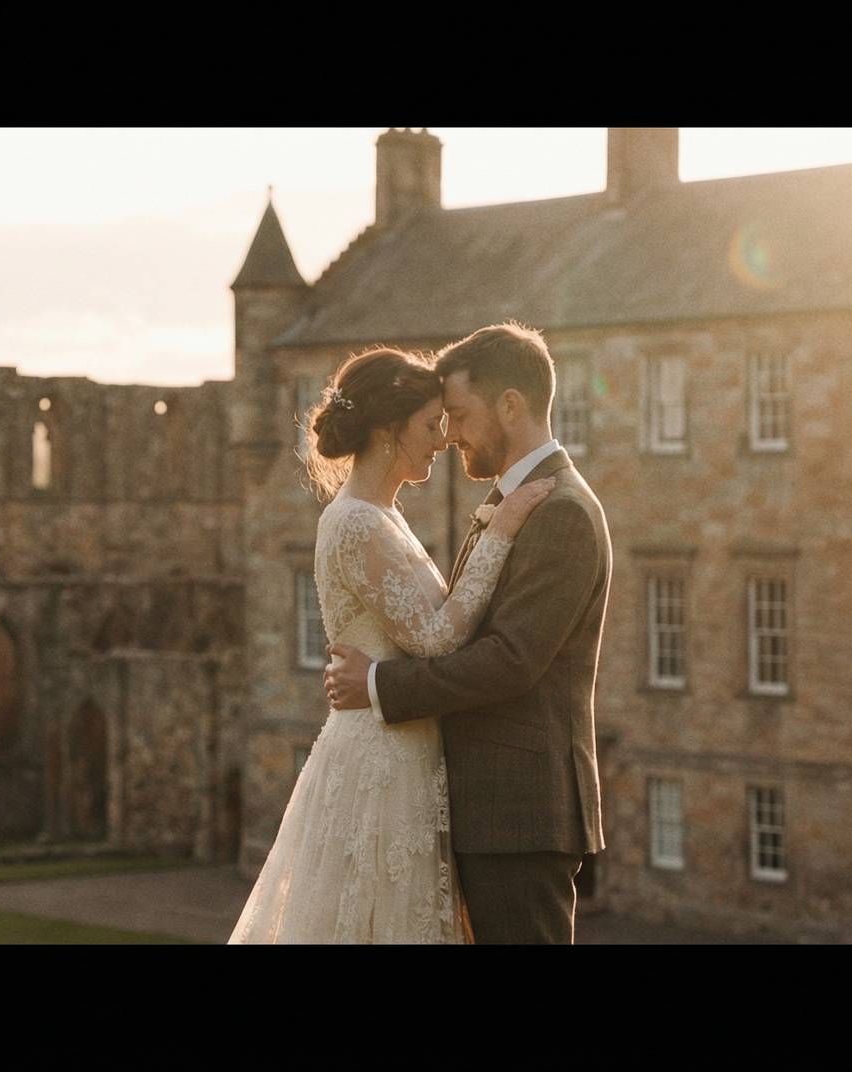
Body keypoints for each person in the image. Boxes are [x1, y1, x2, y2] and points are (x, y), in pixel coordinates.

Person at [228, 345, 553, 943]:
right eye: (432, 425)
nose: (444, 439)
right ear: (388, 428)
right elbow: (436, 637)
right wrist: (501, 535)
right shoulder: (356, 521)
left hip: (402, 742)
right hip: (381, 755)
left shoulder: (382, 514)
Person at [321, 322, 611, 944]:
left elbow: (510, 661)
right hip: (488, 810)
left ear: (511, 405)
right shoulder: (520, 500)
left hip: (521, 814)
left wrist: (377, 684)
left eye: (458, 413)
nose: (449, 434)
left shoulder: (559, 510)